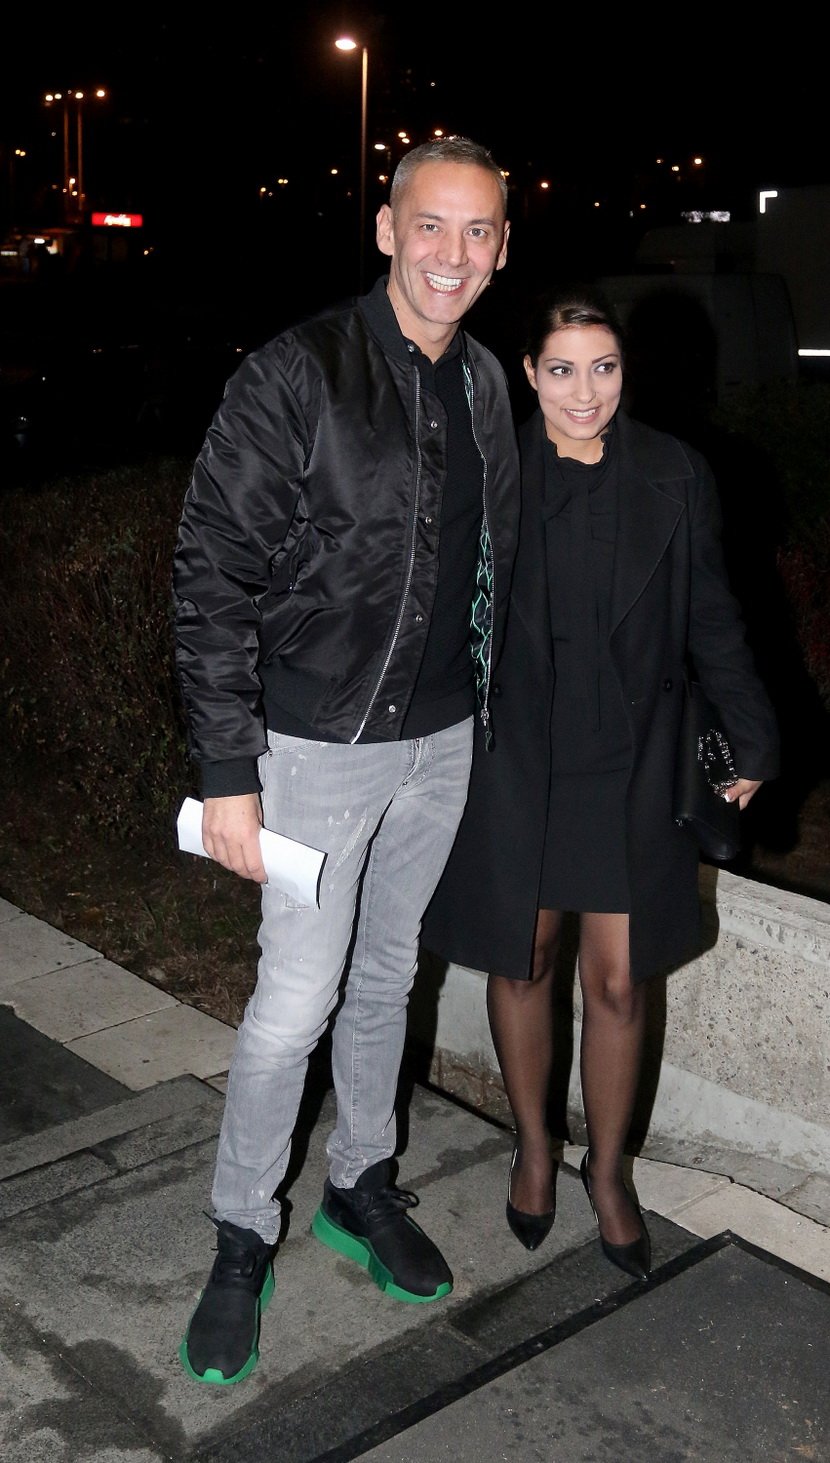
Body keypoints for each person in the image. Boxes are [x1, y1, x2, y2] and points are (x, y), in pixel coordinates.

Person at [171, 136, 518, 1386]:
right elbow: (211, 571)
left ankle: (359, 1182)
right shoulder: (296, 372)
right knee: (292, 1007)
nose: (450, 253)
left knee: (386, 976)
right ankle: (239, 1234)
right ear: (385, 229)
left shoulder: (486, 382)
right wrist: (229, 767)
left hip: (442, 744)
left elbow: (491, 565)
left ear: (500, 250)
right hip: (314, 751)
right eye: (430, 224)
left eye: (476, 231)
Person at [422, 282, 779, 1279]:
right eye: (562, 370)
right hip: (517, 758)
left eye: (604, 367)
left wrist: (752, 733)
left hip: (633, 757)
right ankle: (534, 1145)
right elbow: (434, 612)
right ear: (528, 374)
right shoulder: (487, 470)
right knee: (524, 959)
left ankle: (608, 1167)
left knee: (619, 978)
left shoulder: (673, 472)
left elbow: (713, 616)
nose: (585, 393)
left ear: (626, 370)